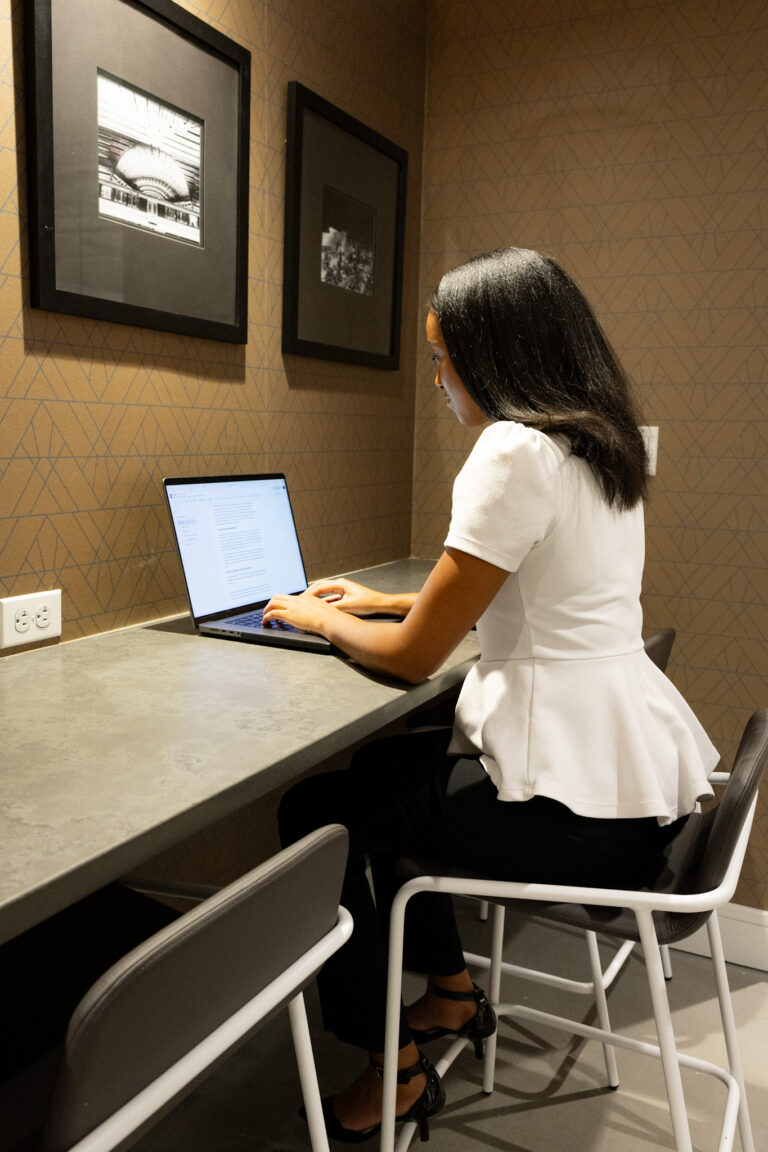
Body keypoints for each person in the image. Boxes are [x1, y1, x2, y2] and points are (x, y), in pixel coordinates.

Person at [263, 246, 718, 1143]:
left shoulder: (512, 450)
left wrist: (315, 619)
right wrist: (383, 599)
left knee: (319, 811)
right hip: (627, 795)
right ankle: (451, 991)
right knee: (390, 773)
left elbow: (413, 659)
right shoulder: (600, 449)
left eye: (444, 358)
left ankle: (390, 1068)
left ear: (497, 352)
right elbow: (535, 591)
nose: (438, 379)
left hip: (572, 818)